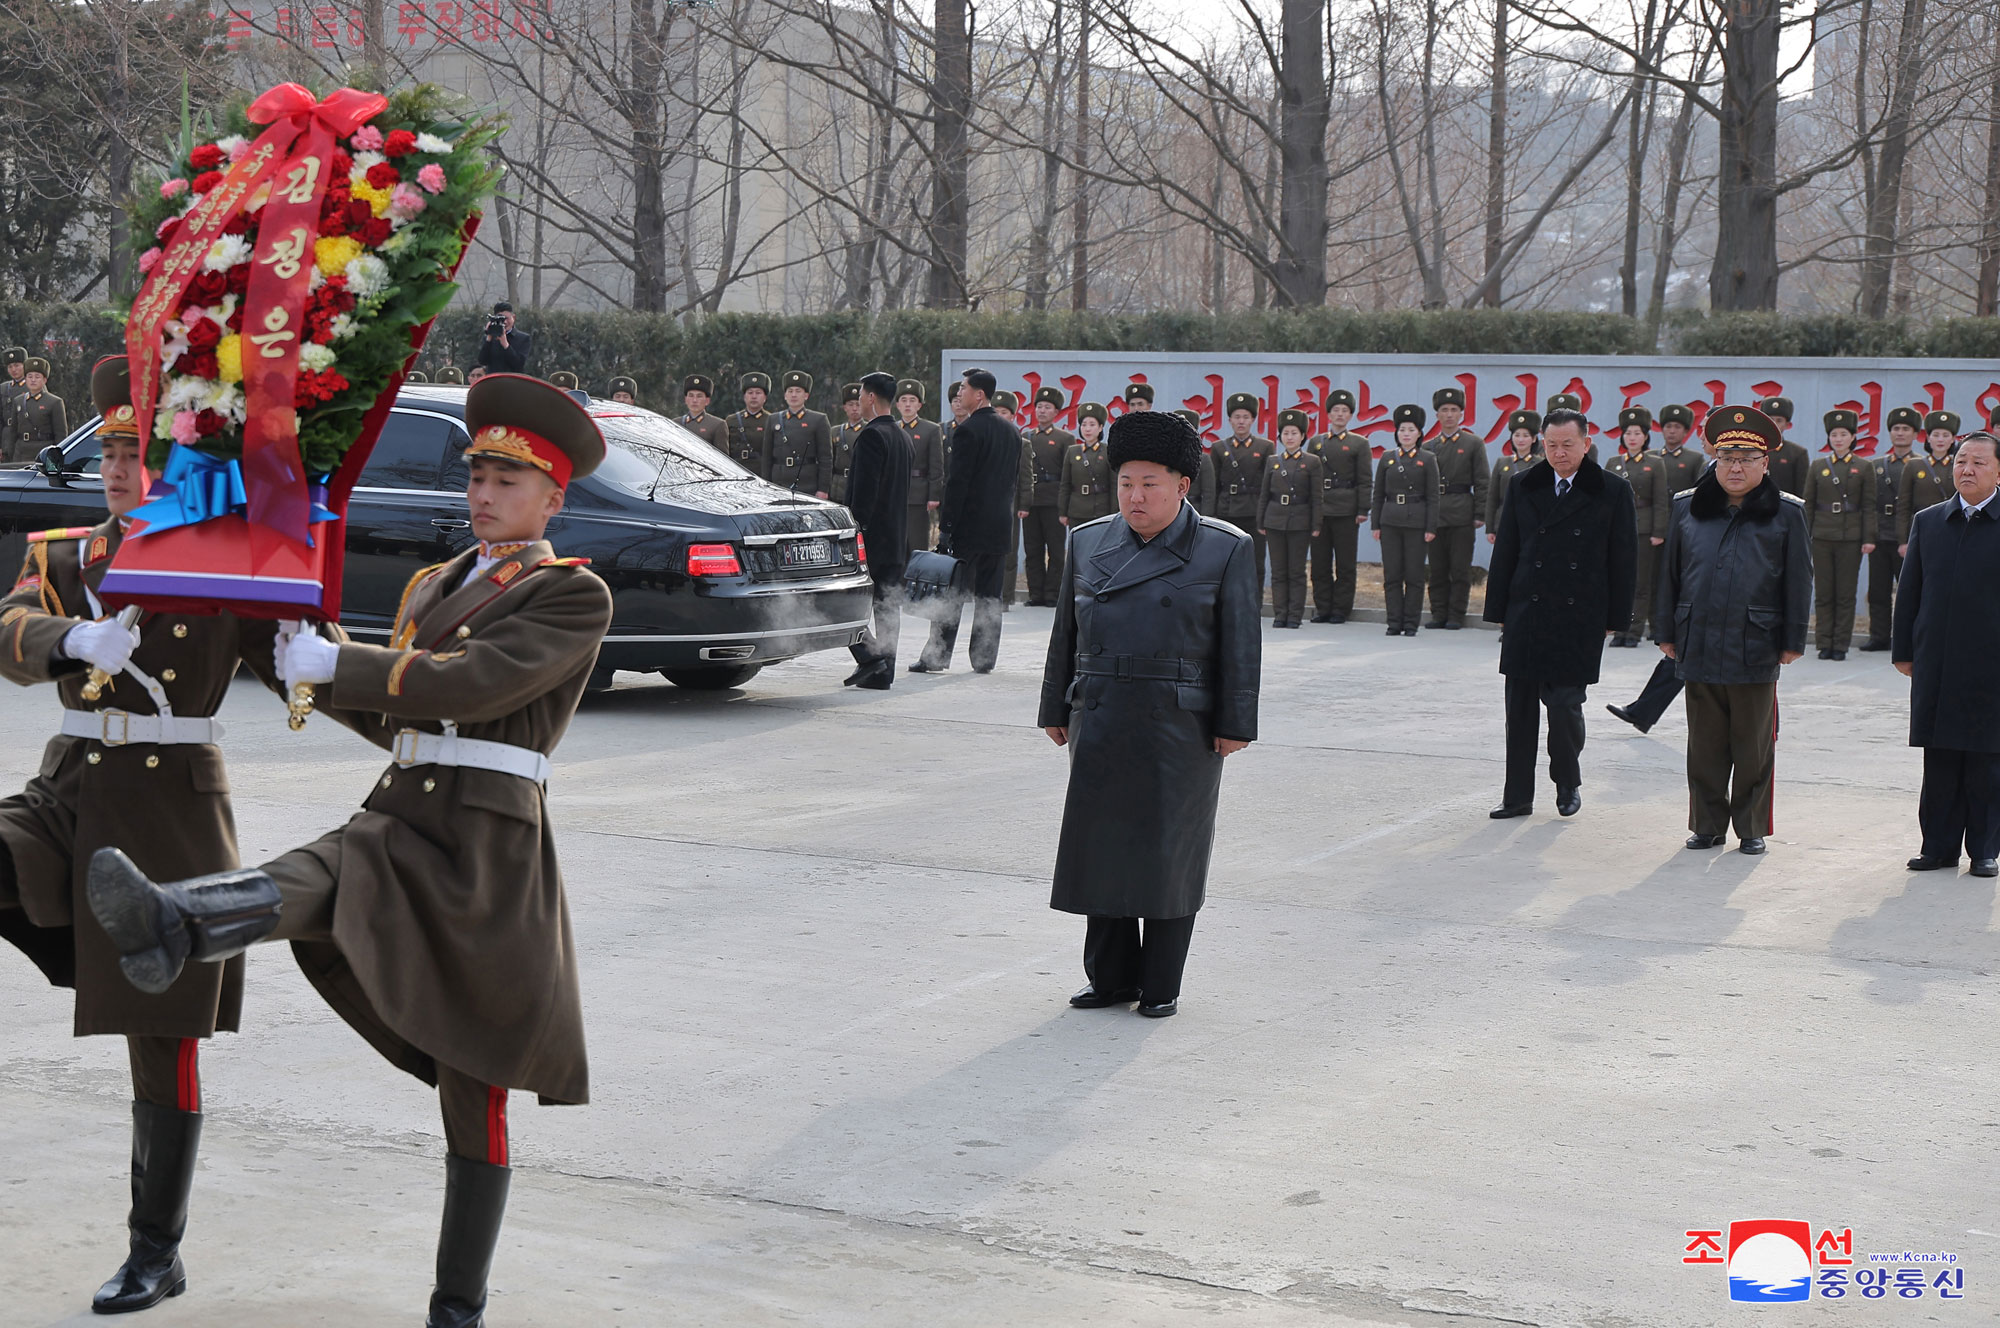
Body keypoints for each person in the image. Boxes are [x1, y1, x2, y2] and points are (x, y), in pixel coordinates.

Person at [88, 372, 613, 1326]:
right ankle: (176, 919)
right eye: (479, 475)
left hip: (487, 849)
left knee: (475, 1089)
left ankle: (458, 1310)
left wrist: (349, 663)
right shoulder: (433, 582)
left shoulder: (572, 598)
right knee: (319, 873)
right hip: (404, 813)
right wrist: (304, 656)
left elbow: (477, 684)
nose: (483, 492)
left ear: (552, 497)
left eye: (506, 479)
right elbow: (395, 717)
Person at [0, 357, 282, 1314]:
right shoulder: (67, 556)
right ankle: (67, 944)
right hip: (69, 794)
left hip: (172, 815)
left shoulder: (222, 558)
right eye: (114, 451)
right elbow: (4, 630)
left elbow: (298, 671)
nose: (121, 468)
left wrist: (394, 704)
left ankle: (155, 1254)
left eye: (143, 452)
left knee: (164, 1039)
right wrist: (65, 641)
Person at [1039, 409, 1258, 1019]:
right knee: (1102, 844)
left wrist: (1235, 722)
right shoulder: (1086, 541)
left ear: (1182, 485)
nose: (1135, 497)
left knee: (1169, 851)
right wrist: (1054, 703)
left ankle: (1159, 983)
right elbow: (1067, 631)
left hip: (1179, 721)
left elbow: (1240, 646)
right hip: (1102, 710)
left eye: (1150, 485)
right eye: (1126, 484)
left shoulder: (1225, 549)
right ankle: (1109, 978)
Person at [1653, 404, 1811, 856]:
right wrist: (1666, 630)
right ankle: (1707, 824)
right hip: (1696, 639)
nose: (1735, 467)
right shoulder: (1688, 507)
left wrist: (1792, 640)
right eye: (1726, 458)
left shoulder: (1785, 513)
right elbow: (1669, 575)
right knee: (1703, 744)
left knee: (1754, 745)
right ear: (1714, 461)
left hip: (1755, 642)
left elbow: (1799, 581)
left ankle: (1751, 826)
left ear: (1766, 463)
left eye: (1746, 459)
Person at [1483, 407, 1636, 819]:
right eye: (1551, 445)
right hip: (1526, 611)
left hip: (1579, 614)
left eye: (1568, 445)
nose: (1559, 453)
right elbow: (1507, 550)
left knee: (1565, 705)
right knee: (1519, 711)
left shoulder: (1612, 490)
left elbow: (1622, 560)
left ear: (1586, 444)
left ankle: (1567, 782)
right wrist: (1498, 608)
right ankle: (1517, 796)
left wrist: (1616, 619)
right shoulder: (1523, 484)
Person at [1893, 431, 2000, 878]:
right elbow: (1911, 591)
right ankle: (1937, 847)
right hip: (1935, 659)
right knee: (1938, 758)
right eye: (1960, 462)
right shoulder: (1929, 520)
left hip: (1991, 664)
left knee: (1986, 760)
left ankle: (1985, 850)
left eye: (1978, 462)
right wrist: (1904, 651)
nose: (1967, 470)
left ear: (1998, 470)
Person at [911, 368, 1020, 674]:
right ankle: (984, 659)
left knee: (951, 593)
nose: (959, 395)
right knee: (990, 596)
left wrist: (945, 528)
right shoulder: (1011, 430)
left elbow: (957, 484)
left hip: (969, 526)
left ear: (979, 395)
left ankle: (936, 656)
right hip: (999, 525)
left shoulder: (969, 430)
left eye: (963, 389)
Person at [842, 372, 913, 690]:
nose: (857, 398)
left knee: (845, 601)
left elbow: (864, 494)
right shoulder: (902, 435)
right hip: (896, 535)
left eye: (860, 393)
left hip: (870, 537)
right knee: (888, 606)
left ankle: (871, 657)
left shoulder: (872, 436)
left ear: (870, 397)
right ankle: (885, 671)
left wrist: (854, 530)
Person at [1804, 409, 1877, 660]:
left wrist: (1868, 538)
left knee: (1845, 593)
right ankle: (1824, 643)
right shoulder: (1818, 466)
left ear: (1853, 437)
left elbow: (1869, 505)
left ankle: (1841, 645)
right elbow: (1809, 504)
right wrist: (1806, 535)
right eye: (1834, 434)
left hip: (1851, 536)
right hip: (1822, 535)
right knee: (1824, 592)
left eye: (1843, 434)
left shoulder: (1864, 467)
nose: (1838, 439)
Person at [1423, 386, 1488, 629]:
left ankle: (1456, 615)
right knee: (1437, 569)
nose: (1449, 414)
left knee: (1460, 569)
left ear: (1461, 414)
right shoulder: (1428, 447)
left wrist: (1480, 513)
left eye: (1454, 410)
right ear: (1437, 414)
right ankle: (1438, 613)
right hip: (1435, 513)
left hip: (1462, 511)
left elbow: (1482, 480)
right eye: (1444, 410)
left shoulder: (1473, 443)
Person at [1304, 389, 1372, 623]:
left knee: (1345, 563)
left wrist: (1363, 509)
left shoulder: (1359, 443)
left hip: (1347, 509)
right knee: (1320, 562)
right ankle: (1323, 608)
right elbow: (1308, 477)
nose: (1340, 415)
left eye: (1344, 411)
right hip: (1320, 509)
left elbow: (1364, 479)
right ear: (1328, 415)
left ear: (1350, 415)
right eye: (1335, 411)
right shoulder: (1316, 442)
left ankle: (1341, 609)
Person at [1371, 404, 1439, 636]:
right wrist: (1375, 524)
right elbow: (1378, 493)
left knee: (1414, 575)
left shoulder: (1428, 459)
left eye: (1411, 429)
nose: (1406, 434)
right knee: (1392, 575)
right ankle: (1393, 622)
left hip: (1417, 523)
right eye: (1402, 430)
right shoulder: (1388, 458)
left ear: (1419, 433)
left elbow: (1433, 496)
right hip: (1390, 521)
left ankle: (1410, 623)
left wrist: (1431, 526)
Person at [1861, 405, 1923, 651]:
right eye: (1896, 428)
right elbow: (1868, 504)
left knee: (1908, 593)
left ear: (1915, 434)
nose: (1900, 433)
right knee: (1878, 592)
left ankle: (1907, 639)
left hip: (1908, 538)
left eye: (1906, 429)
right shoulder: (1876, 465)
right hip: (1880, 535)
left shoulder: (1921, 465)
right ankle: (1879, 637)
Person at [1257, 409, 1323, 629]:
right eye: (1286, 433)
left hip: (1300, 521)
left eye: (1294, 433)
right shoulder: (1273, 461)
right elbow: (1265, 493)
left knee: (1296, 570)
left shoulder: (1312, 462)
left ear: (1302, 436)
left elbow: (1316, 496)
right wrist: (1261, 521)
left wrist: (1316, 524)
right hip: (1274, 519)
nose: (1290, 437)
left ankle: (1294, 614)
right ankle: (1280, 613)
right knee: (1278, 571)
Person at [1604, 407, 1663, 648]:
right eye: (1628, 433)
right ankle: (1619, 629)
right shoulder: (1613, 463)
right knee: (1617, 581)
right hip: (1618, 528)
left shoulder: (1655, 463)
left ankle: (1634, 630)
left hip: (1644, 529)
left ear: (1646, 436)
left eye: (1637, 433)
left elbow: (1660, 500)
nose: (1632, 437)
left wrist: (1659, 531)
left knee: (1640, 583)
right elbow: (1605, 500)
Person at [1211, 392, 1273, 599]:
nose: (1241, 422)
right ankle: (1226, 600)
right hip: (1227, 510)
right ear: (1229, 420)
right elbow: (1214, 485)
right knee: (1224, 560)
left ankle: (1254, 601)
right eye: (1237, 417)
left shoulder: (1265, 447)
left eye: (1246, 417)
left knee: (1255, 560)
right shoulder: (1219, 448)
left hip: (1253, 511)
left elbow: (1268, 484)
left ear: (1253, 420)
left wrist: (1265, 515)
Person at [1016, 386, 1074, 606]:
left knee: (1057, 551)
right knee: (1032, 550)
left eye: (1047, 407)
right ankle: (1035, 594)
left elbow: (1068, 474)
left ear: (1056, 412)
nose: (1041, 411)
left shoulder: (1064, 438)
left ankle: (1052, 594)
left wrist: (1064, 506)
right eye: (1039, 406)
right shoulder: (1025, 437)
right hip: (1031, 500)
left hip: (1054, 501)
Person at [1896, 411, 1960, 555]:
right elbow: (1903, 506)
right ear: (1928, 438)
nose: (1940, 440)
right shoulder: (1914, 466)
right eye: (1936, 435)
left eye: (1945, 435)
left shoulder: (1957, 466)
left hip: (1951, 528)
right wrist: (1903, 541)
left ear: (1952, 440)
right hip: (1920, 528)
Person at [897, 380, 944, 554]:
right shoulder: (891, 428)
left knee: (917, 544)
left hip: (919, 494)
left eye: (912, 400)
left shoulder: (930, 429)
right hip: (896, 494)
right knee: (897, 544)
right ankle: (896, 582)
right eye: (903, 400)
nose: (907, 404)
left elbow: (936, 466)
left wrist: (933, 495)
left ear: (920, 405)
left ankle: (916, 580)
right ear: (897, 404)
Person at [1058, 404, 1115, 530]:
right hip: (1076, 511)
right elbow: (1065, 484)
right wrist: (1063, 511)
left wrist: (1114, 514)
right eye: (1084, 425)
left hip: (1100, 511)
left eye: (1092, 425)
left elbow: (1114, 485)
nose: (1087, 429)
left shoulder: (1107, 451)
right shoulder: (1072, 451)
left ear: (1100, 428)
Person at [1487, 410, 1541, 541]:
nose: (1521, 439)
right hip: (1504, 522)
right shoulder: (1502, 463)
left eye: (1525, 435)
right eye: (1517, 435)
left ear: (1534, 439)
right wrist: (1490, 529)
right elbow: (1492, 497)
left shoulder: (1541, 464)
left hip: (1531, 523)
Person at [12, 356, 67, 462]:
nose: (33, 380)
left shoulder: (54, 402)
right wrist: (9, 453)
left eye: (37, 377)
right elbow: (12, 432)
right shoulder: (18, 401)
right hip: (21, 453)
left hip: (44, 452)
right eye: (29, 376)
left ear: (44, 380)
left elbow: (60, 434)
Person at [1757, 396, 1811, 498]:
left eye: (1779, 420)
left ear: (1787, 425)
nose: (1774, 424)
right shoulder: (1752, 450)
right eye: (1770, 419)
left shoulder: (1797, 453)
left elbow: (1801, 491)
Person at [726, 372, 774, 477]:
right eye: (750, 393)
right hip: (735, 473)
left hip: (761, 474)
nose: (754, 396)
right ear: (744, 397)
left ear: (765, 397)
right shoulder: (731, 420)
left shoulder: (771, 421)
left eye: (758, 393)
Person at [826, 382, 863, 503]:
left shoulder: (870, 430)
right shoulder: (835, 431)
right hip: (837, 487)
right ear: (844, 407)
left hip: (859, 485)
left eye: (858, 404)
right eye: (850, 404)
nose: (854, 408)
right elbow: (829, 462)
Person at [675, 374, 728, 452]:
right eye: (691, 396)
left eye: (699, 396)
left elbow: (723, 459)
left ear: (707, 401)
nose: (694, 400)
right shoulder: (675, 423)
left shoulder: (717, 425)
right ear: (686, 399)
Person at [473, 300, 530, 374]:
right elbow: (482, 361)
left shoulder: (523, 338)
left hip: (513, 382)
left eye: (507, 318)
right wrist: (489, 338)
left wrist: (505, 344)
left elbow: (519, 365)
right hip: (493, 381)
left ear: (513, 318)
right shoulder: (489, 338)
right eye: (501, 319)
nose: (505, 322)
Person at [0, 345, 26, 460]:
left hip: (23, 440)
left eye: (17, 365)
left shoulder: (33, 386)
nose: (13, 369)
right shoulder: (3, 388)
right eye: (10, 366)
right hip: (6, 441)